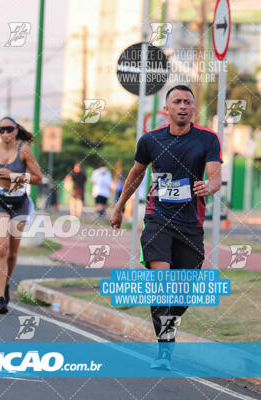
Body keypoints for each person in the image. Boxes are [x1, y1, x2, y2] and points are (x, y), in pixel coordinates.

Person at [110, 85, 222, 370]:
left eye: (187, 102)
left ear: (193, 109)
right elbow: (136, 174)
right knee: (162, 284)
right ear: (166, 109)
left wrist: (208, 186)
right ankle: (165, 349)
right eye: (177, 101)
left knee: (184, 292)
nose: (183, 106)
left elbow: (215, 176)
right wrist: (119, 205)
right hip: (157, 218)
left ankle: (168, 321)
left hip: (191, 224)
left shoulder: (207, 139)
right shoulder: (150, 140)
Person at [0, 116, 43, 314]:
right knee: (1, 247)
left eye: (9, 129)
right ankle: (1, 297)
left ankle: (5, 284)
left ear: (16, 130)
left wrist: (15, 176)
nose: (5, 133)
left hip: (19, 203)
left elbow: (38, 178)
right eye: (1, 129)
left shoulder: (24, 150)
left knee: (12, 252)